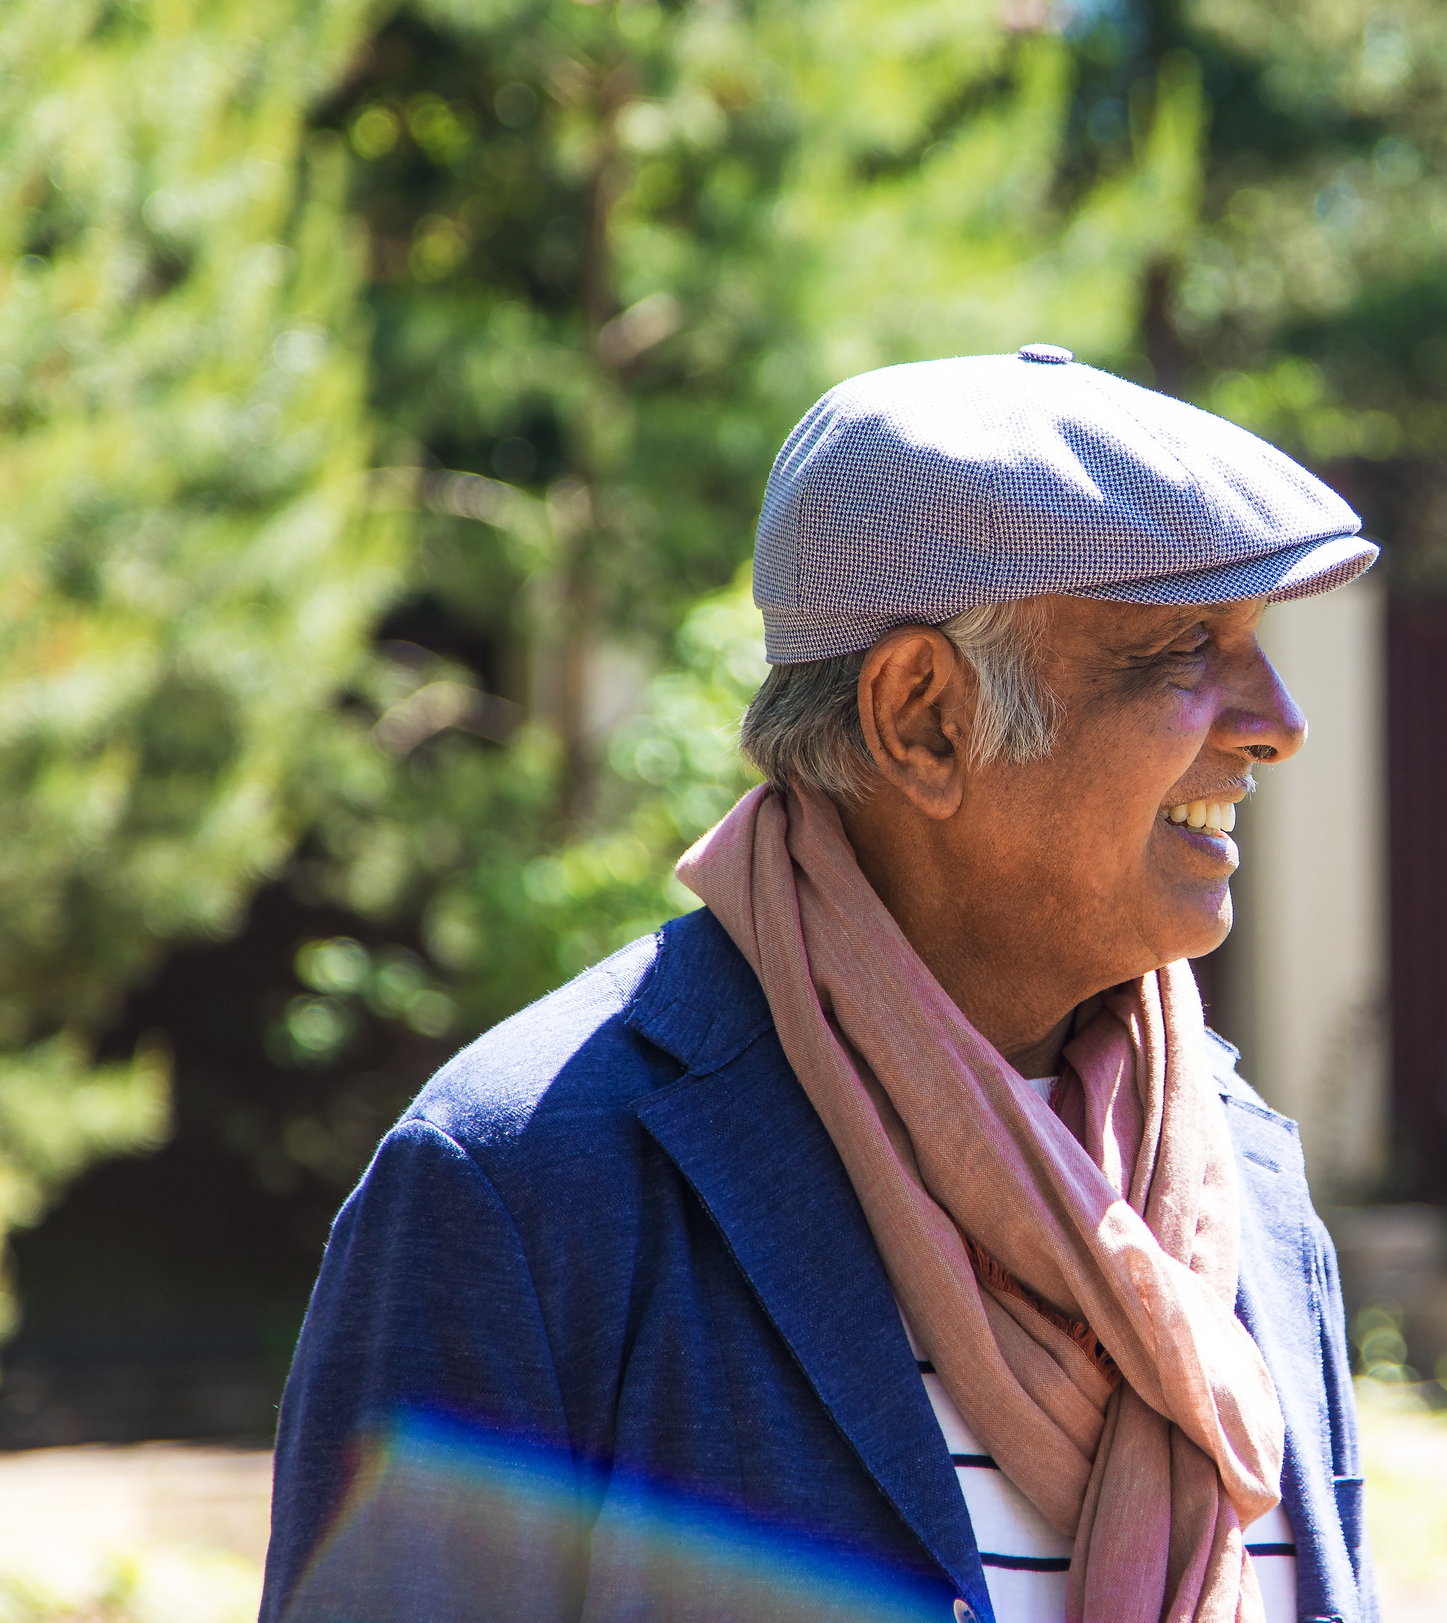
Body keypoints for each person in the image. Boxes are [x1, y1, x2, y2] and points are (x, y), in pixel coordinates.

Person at [260, 344, 1383, 1623]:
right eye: (1187, 646)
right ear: (924, 719)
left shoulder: (1247, 1185)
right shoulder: (528, 1186)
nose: (1278, 721)